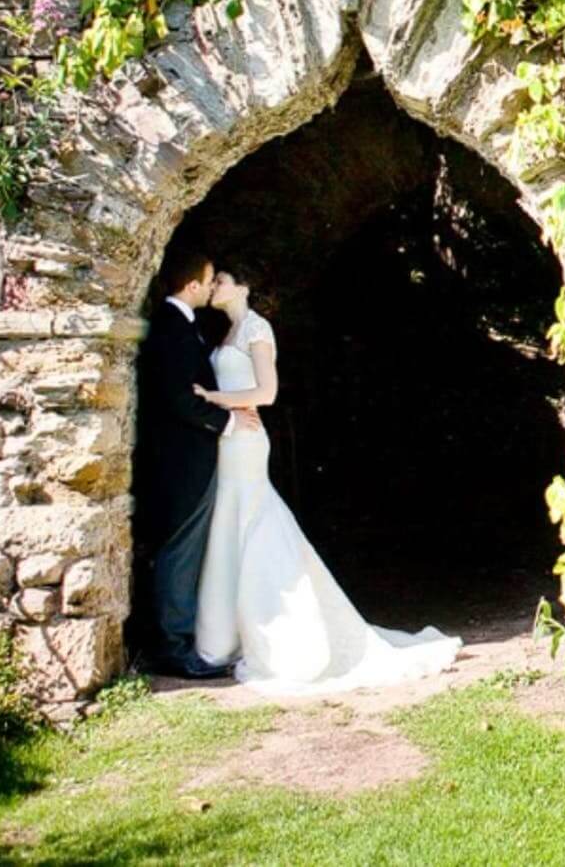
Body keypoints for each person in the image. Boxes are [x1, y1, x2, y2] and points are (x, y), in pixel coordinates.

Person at [190, 265, 464, 692]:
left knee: (252, 521)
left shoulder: (256, 330)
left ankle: (278, 636)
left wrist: (215, 399)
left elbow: (267, 393)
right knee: (229, 524)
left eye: (221, 280)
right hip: (228, 441)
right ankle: (228, 636)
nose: (215, 287)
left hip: (245, 442)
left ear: (242, 286)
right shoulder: (227, 331)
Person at [130, 249, 250, 679]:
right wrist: (227, 421)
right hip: (181, 462)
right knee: (180, 550)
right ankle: (172, 646)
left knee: (185, 549)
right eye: (210, 277)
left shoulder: (182, 325)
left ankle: (178, 637)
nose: (214, 284)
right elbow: (180, 398)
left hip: (188, 459)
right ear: (193, 285)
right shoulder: (171, 327)